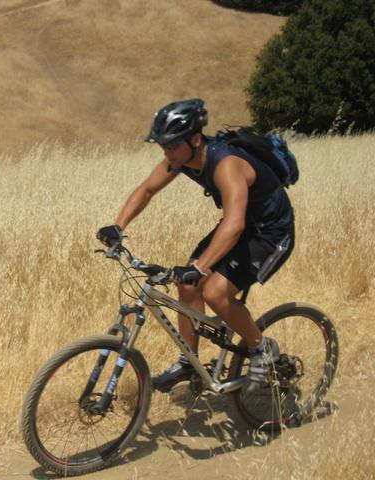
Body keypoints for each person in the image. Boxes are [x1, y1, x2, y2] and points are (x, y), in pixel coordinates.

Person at [96, 98, 295, 392]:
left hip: (270, 232)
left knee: (214, 291)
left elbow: (234, 223)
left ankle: (262, 349)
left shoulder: (226, 164)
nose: (166, 152)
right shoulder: (180, 159)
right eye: (163, 146)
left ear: (195, 139)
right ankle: (190, 364)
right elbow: (147, 189)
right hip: (239, 226)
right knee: (186, 285)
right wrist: (118, 226)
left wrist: (200, 267)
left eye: (172, 145)